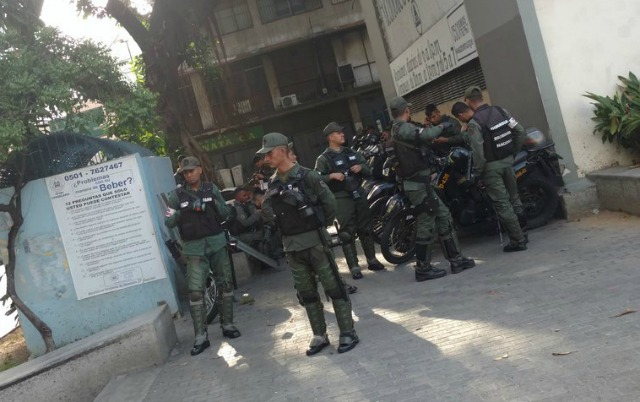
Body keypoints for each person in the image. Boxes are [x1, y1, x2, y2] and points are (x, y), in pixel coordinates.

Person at [257, 132, 359, 356]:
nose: (267, 158)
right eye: (265, 155)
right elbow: (267, 210)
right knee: (307, 294)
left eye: (270, 153)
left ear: (283, 151)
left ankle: (348, 331)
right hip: (292, 247)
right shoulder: (273, 183)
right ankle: (319, 335)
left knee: (334, 287)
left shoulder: (307, 176)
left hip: (315, 243)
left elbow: (329, 203)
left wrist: (319, 226)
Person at [389, 97, 475, 281]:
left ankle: (456, 259)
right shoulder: (403, 127)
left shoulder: (399, 128)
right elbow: (426, 135)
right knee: (426, 223)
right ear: (406, 110)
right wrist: (443, 126)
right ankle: (423, 268)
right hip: (418, 185)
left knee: (443, 216)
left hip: (421, 183)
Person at [164, 156, 241, 356]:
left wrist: (215, 203)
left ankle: (228, 325)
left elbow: (225, 214)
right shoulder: (176, 195)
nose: (189, 175)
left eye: (191, 170)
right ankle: (200, 336)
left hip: (216, 244)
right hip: (194, 249)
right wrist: (183, 209)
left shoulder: (211, 189)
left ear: (199, 170)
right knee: (196, 292)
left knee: (225, 285)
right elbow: (169, 222)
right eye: (185, 172)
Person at [455, 85, 528, 252]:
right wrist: (513, 154)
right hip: (508, 162)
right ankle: (524, 233)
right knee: (514, 198)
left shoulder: (475, 123)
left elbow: (478, 153)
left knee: (503, 204)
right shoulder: (501, 111)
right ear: (481, 96)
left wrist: (477, 172)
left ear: (468, 101)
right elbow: (520, 131)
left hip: (491, 169)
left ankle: (518, 241)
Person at [314, 122, 385, 280]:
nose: (342, 135)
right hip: (341, 197)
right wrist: (331, 176)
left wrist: (361, 168)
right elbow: (316, 179)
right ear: (331, 137)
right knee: (347, 233)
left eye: (342, 132)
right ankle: (354, 267)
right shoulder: (324, 159)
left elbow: (368, 169)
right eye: (339, 133)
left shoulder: (351, 152)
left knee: (366, 228)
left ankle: (372, 260)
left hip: (358, 193)